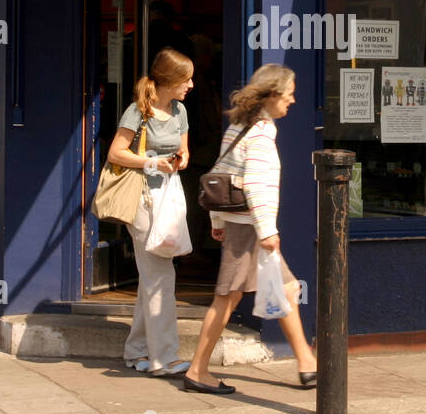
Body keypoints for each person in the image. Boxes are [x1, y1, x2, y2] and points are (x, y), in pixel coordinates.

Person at [184, 64, 318, 395]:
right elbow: (256, 187)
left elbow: (220, 174)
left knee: (287, 289)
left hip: (243, 226)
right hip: (250, 231)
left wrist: (218, 221)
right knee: (226, 300)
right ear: (272, 95)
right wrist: (267, 231)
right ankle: (197, 370)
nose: (294, 100)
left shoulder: (239, 126)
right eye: (289, 93)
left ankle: (306, 362)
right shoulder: (259, 133)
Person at [106, 47, 194, 377]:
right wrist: (151, 162)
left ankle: (138, 351)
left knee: (151, 276)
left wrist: (180, 159)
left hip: (169, 197)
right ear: (170, 81)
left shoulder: (180, 111)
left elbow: (184, 150)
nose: (191, 85)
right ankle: (164, 359)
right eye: (186, 79)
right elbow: (116, 152)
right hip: (142, 200)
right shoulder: (137, 111)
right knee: (161, 277)